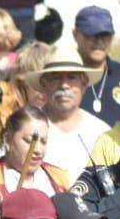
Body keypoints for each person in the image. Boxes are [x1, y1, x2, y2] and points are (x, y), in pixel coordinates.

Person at [33, 40, 111, 185]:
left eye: (72, 77)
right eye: (56, 77)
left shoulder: (102, 133)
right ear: (44, 83)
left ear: (84, 83)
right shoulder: (25, 126)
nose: (64, 85)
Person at [0, 106, 73, 209]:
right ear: (8, 140)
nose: (38, 150)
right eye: (29, 141)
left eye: (43, 142)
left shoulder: (60, 179)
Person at [72, 6, 120, 126]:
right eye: (91, 34)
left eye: (105, 35)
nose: (99, 41)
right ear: (75, 35)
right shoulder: (64, 75)